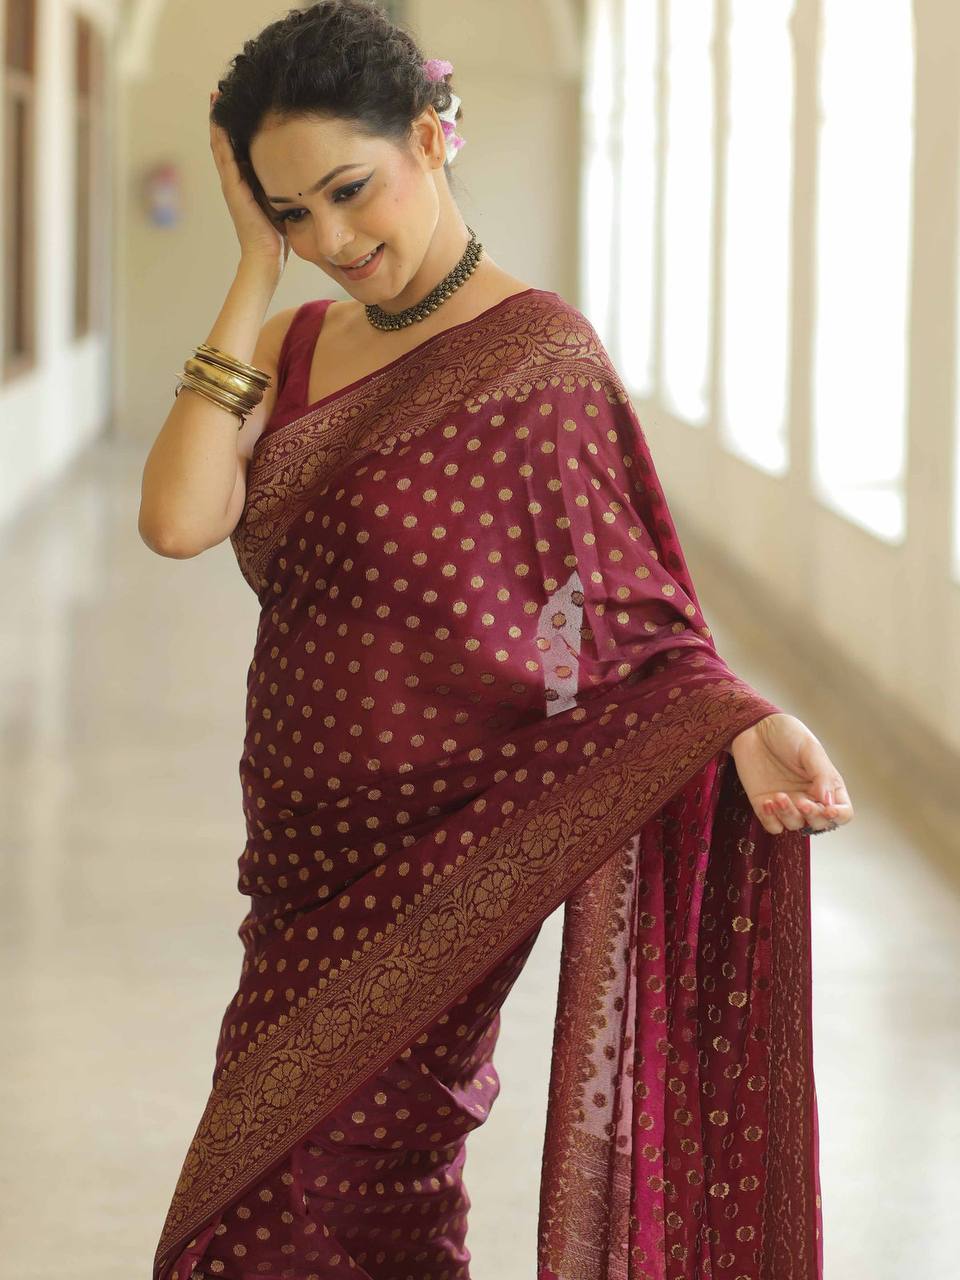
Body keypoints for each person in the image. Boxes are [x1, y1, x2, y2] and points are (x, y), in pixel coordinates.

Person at [138, 3, 854, 1277]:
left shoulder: (540, 356)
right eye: (293, 212)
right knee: (311, 1198)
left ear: (431, 135)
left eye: (351, 190)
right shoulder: (293, 342)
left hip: (447, 865)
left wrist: (736, 724)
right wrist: (251, 269)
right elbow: (178, 521)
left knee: (323, 1186)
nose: (331, 241)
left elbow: (623, 616)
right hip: (300, 864)